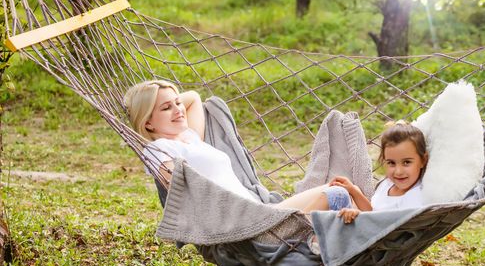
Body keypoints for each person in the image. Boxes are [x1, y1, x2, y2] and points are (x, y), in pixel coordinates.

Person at [124, 80, 369, 224]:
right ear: (147, 123)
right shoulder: (158, 149)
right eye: (167, 108)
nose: (178, 110)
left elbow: (194, 98)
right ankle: (317, 241)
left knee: (338, 191)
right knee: (336, 196)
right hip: (246, 222)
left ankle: (317, 238)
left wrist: (162, 90)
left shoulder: (190, 138)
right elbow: (176, 182)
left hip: (259, 210)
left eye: (177, 104)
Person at [331, 121, 428, 211]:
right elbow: (372, 213)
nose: (398, 171)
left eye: (406, 162)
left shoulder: (417, 197)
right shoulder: (386, 185)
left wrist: (359, 217)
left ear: (423, 160)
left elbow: (384, 224)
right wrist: (353, 191)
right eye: (391, 163)